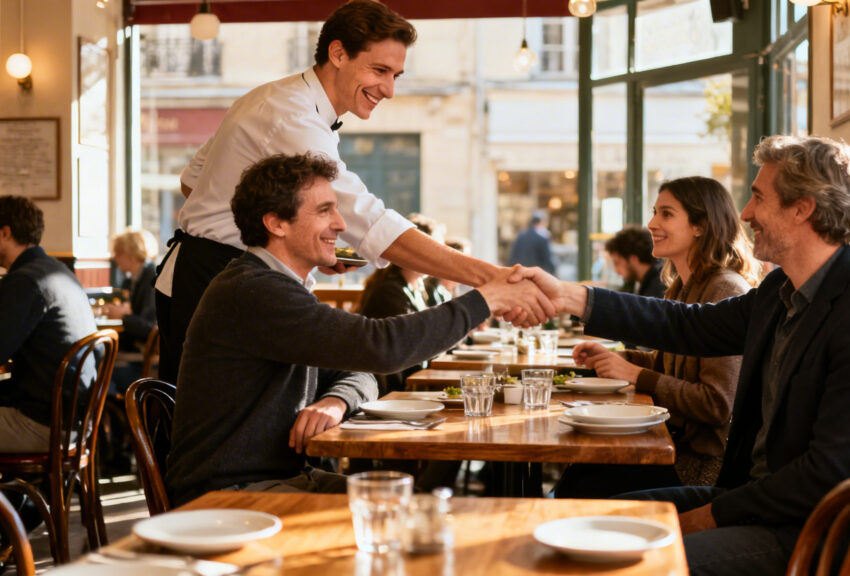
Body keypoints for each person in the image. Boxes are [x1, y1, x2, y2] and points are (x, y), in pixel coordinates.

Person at [521, 135, 850, 574]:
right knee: (576, 521)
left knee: (617, 563)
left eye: (758, 197)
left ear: (802, 208)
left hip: (812, 535)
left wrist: (705, 519)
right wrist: (572, 297)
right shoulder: (784, 289)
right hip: (755, 501)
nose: (745, 214)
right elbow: (688, 325)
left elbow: (828, 474)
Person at [155, 0, 553, 384]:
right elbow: (370, 223)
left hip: (212, 273)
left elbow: (193, 181)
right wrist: (494, 279)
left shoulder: (271, 97)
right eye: (379, 70)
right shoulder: (292, 116)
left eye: (396, 75)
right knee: (215, 426)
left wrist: (294, 245)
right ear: (339, 53)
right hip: (218, 279)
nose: (389, 89)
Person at [165, 153, 539, 506]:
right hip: (228, 496)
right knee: (416, 519)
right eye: (324, 210)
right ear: (276, 222)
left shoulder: (275, 287)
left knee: (422, 509)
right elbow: (380, 348)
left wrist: (337, 400)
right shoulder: (254, 290)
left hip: (281, 480)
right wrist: (485, 300)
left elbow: (360, 371)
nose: (341, 225)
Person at [554, 177, 758, 498]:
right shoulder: (681, 287)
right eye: (655, 212)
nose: (652, 223)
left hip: (700, 466)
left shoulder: (726, 290)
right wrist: (622, 359)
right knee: (580, 469)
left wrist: (636, 374)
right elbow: (672, 365)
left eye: (666, 214)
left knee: (582, 483)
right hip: (671, 441)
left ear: (700, 226)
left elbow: (717, 404)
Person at [0, 196, 98, 453]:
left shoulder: (25, 281)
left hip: (44, 424)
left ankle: (10, 495)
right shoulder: (58, 271)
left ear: (4, 233)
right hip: (73, 420)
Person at [359, 213, 443, 393]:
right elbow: (409, 346)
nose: (439, 258)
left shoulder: (417, 290)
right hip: (391, 391)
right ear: (413, 251)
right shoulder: (389, 292)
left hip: (411, 383)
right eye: (434, 250)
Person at [106, 228, 158, 394]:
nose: (114, 258)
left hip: (146, 361)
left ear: (130, 253)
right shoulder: (132, 280)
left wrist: (122, 316)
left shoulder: (152, 277)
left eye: (118, 253)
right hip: (134, 352)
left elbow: (149, 329)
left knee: (98, 371)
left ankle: (113, 416)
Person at [604, 225, 667, 298]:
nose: (616, 271)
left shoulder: (658, 291)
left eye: (617, 263)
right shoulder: (636, 284)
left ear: (633, 259)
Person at [507, 209, 556, 274]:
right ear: (542, 222)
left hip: (519, 275)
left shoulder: (520, 236)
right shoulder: (542, 238)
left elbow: (512, 258)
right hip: (535, 276)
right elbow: (548, 262)